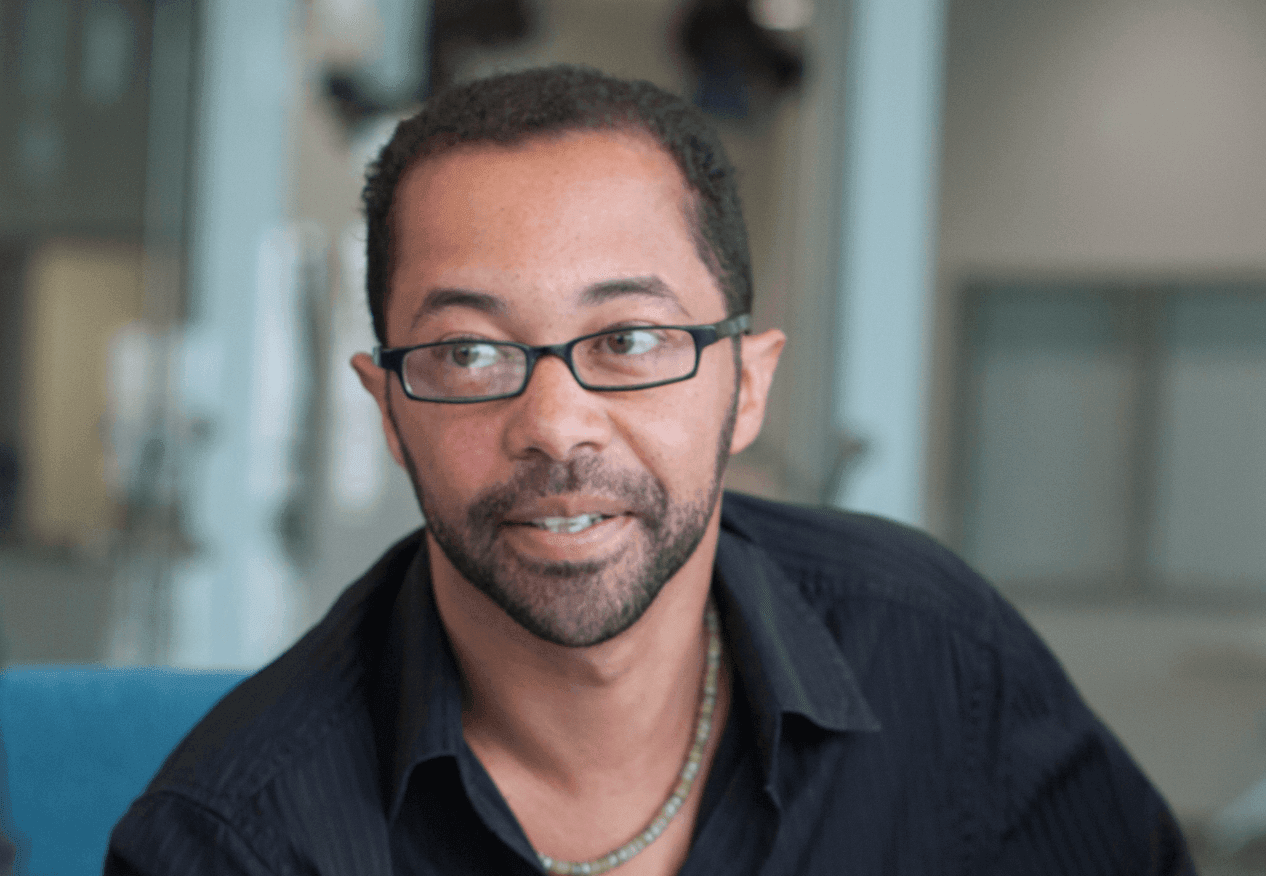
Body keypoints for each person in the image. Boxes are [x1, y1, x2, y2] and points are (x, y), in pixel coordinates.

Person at [105, 66, 1194, 875]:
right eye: (469, 353)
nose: (554, 425)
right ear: (390, 405)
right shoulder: (232, 840)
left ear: (748, 387)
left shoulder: (940, 656)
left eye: (628, 339)